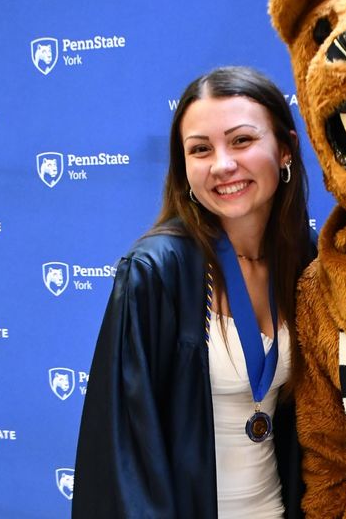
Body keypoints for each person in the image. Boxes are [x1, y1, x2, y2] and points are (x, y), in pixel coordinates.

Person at [72, 66, 313, 518]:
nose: (222, 164)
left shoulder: (304, 262)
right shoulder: (155, 271)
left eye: (241, 140)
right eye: (201, 149)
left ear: (285, 149)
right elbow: (121, 458)